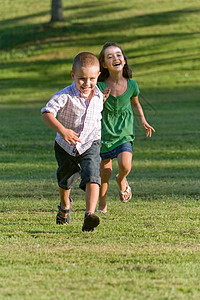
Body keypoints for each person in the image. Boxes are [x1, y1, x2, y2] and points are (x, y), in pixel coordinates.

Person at [41, 52, 104, 232]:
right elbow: (46, 113)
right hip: (65, 146)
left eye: (92, 78)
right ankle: (64, 206)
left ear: (98, 76)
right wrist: (63, 130)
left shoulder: (99, 95)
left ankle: (89, 215)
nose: (87, 83)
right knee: (65, 181)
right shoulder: (65, 95)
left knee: (93, 176)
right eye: (82, 78)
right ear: (73, 76)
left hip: (90, 143)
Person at [97, 42, 155, 213]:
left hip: (124, 132)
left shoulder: (132, 85)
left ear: (124, 60)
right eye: (110, 56)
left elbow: (136, 104)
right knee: (104, 173)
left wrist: (143, 120)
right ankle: (102, 203)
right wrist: (102, 100)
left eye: (118, 54)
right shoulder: (99, 86)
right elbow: (93, 109)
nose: (115, 58)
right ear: (104, 64)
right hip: (104, 132)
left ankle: (122, 179)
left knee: (125, 165)